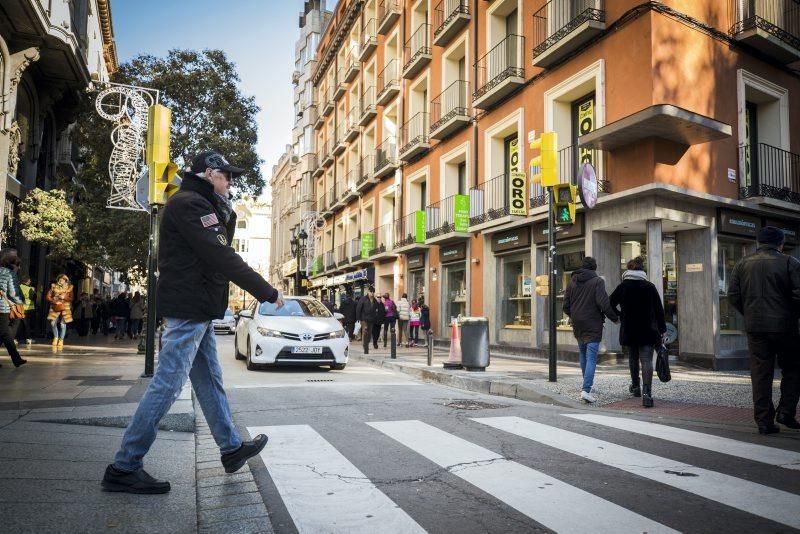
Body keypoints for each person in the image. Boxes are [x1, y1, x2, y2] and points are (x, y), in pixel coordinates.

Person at [103, 150, 285, 494]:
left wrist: (223, 207)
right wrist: (266, 291)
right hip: (189, 306)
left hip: (197, 306)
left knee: (209, 381)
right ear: (208, 174)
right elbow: (220, 254)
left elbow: (216, 249)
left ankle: (230, 449)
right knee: (168, 384)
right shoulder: (191, 204)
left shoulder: (199, 204)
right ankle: (124, 465)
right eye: (226, 176)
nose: (231, 182)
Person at [728, 226, 800, 434]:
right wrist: (791, 315)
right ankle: (786, 411)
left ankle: (763, 421)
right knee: (794, 368)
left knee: (760, 373)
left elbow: (733, 295)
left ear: (759, 243)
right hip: (785, 326)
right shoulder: (790, 262)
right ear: (781, 244)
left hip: (755, 326)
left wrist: (749, 312)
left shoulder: (742, 264)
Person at [610, 257, 666, 408]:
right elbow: (659, 311)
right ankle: (647, 394)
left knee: (633, 358)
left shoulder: (623, 286)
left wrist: (619, 316)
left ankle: (636, 387)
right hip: (647, 329)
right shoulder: (650, 287)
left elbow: (610, 303)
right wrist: (662, 330)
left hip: (629, 328)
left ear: (628, 270)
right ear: (642, 270)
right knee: (646, 360)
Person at [562, 256, 619, 404]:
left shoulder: (572, 281)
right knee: (592, 356)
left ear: (582, 267)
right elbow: (603, 303)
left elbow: (565, 306)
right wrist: (615, 318)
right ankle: (586, 390)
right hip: (593, 323)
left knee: (583, 353)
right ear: (594, 268)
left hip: (578, 323)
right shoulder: (597, 281)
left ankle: (585, 386)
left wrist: (574, 315)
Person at [0, 249, 26, 367]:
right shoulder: (10, 273)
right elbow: (13, 293)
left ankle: (16, 359)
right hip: (2, 307)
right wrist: (20, 304)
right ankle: (16, 358)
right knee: (5, 333)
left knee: (2, 333)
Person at [46, 274, 74, 349]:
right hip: (55, 306)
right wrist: (54, 301)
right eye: (59, 279)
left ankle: (61, 340)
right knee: (52, 323)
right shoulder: (54, 286)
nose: (60, 281)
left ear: (65, 281)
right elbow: (48, 296)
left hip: (65, 307)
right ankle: (55, 337)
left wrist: (64, 297)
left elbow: (71, 298)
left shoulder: (69, 288)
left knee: (62, 324)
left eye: (62, 280)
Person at [355, 287, 377, 354]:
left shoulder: (375, 300)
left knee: (369, 334)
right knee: (365, 332)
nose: (372, 293)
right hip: (364, 319)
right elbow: (358, 308)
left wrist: (375, 316)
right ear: (368, 292)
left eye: (373, 292)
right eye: (371, 292)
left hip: (371, 319)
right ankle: (365, 346)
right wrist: (358, 318)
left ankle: (366, 344)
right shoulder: (363, 299)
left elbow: (376, 309)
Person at [19, 276, 36, 344]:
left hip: (18, 307)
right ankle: (28, 338)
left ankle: (16, 338)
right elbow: (33, 298)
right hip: (27, 308)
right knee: (27, 324)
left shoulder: (18, 286)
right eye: (29, 280)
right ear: (26, 281)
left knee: (18, 324)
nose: (30, 281)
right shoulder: (29, 288)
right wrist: (34, 291)